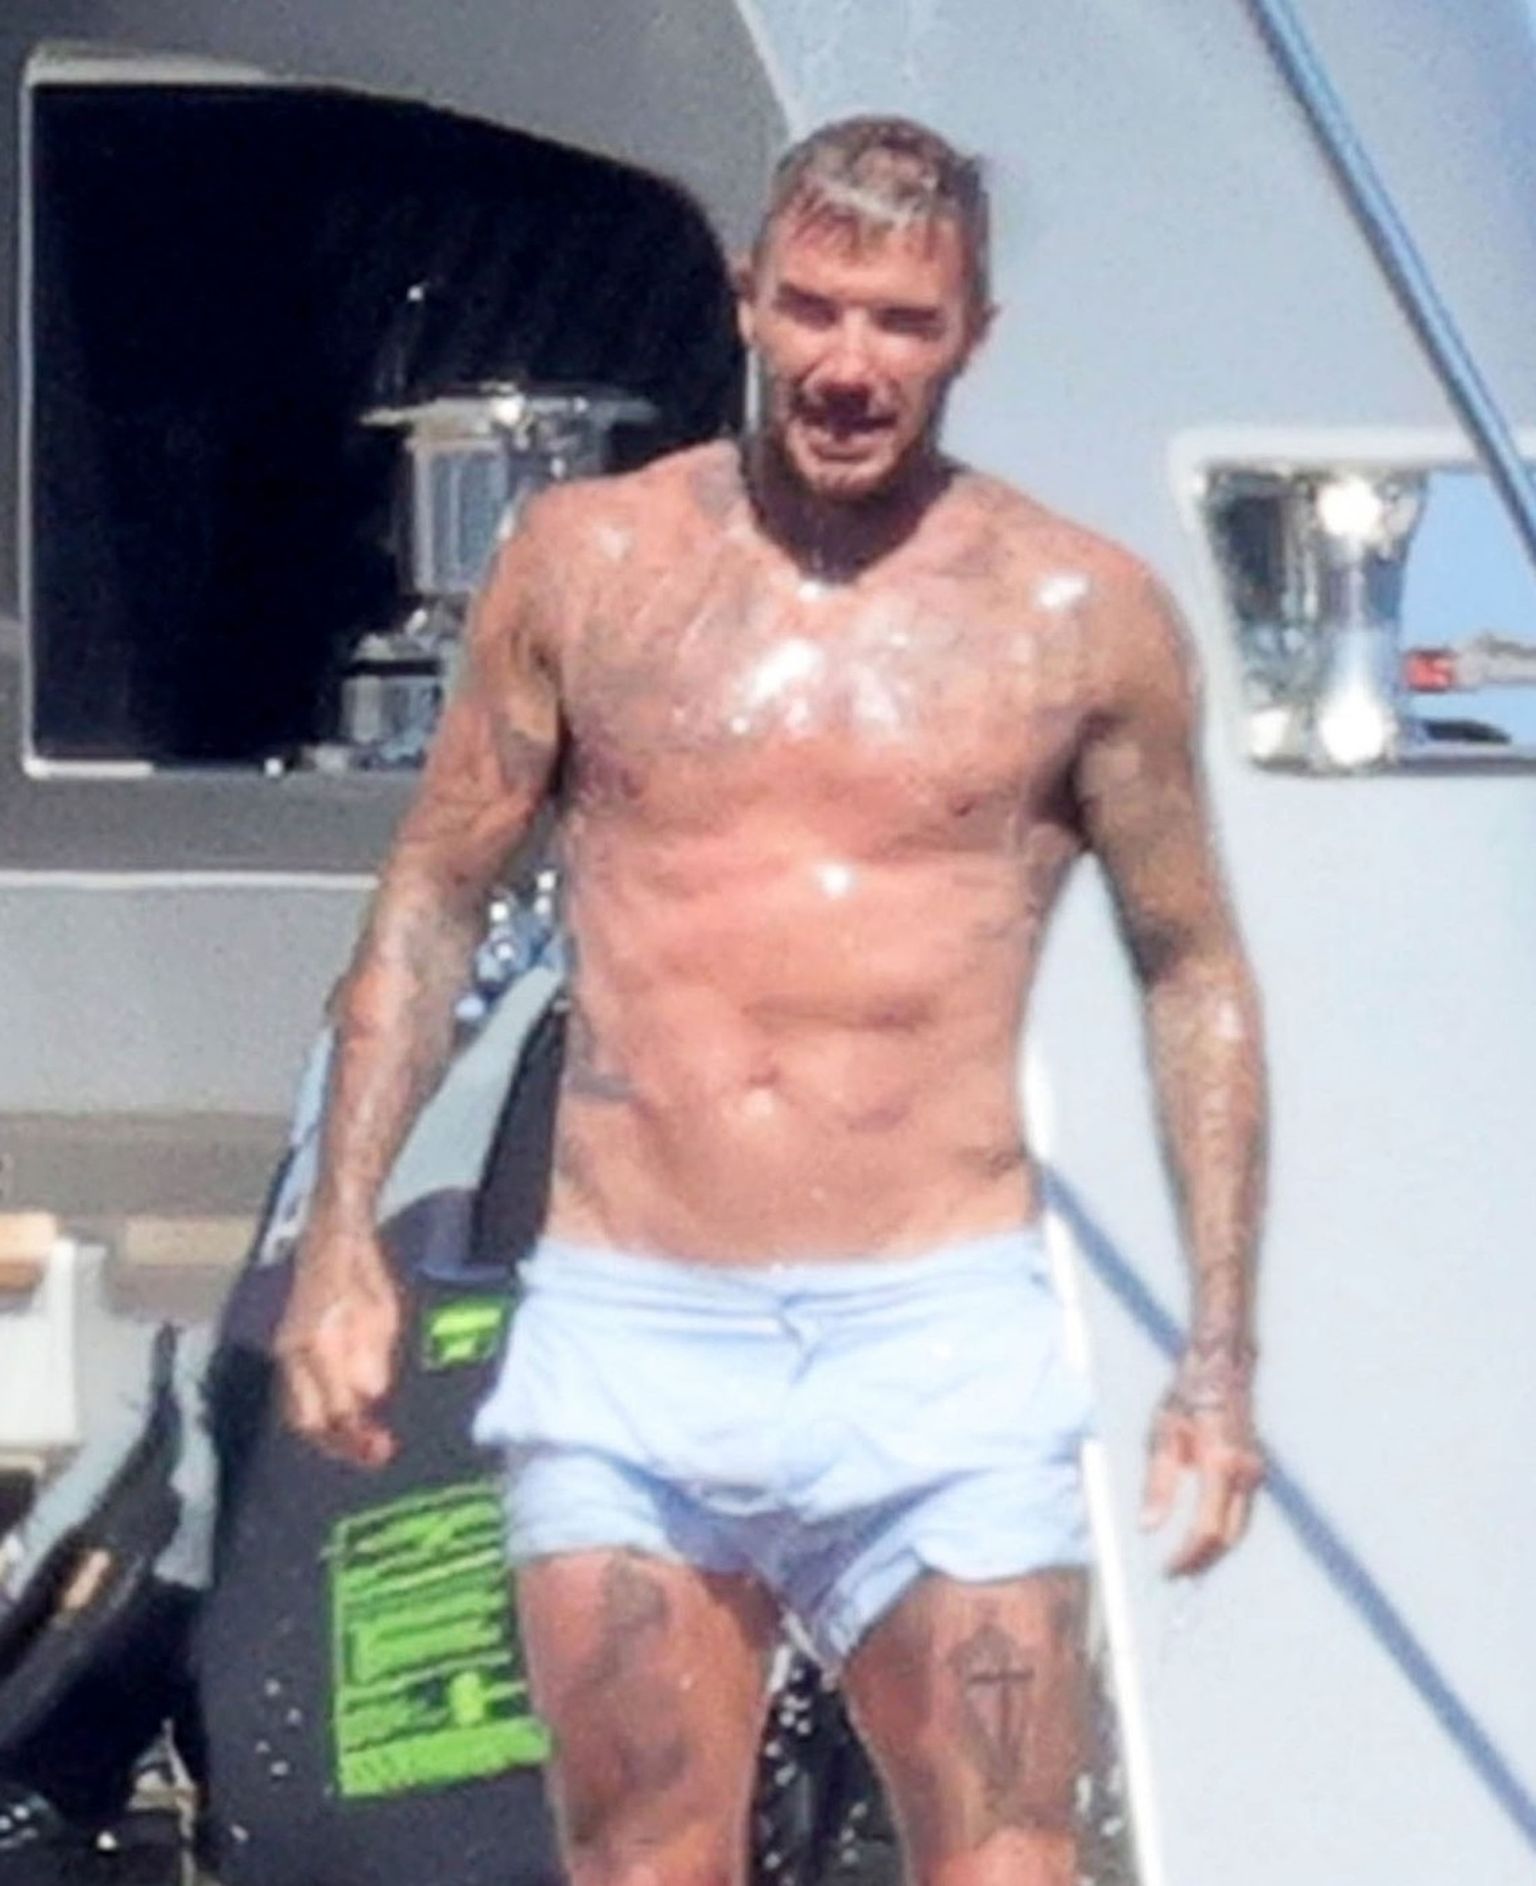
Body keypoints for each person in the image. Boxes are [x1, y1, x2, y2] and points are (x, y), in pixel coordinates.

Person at [276, 115, 1267, 1886]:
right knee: (650, 1862)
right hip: (637, 1334)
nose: (849, 362)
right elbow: (437, 891)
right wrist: (342, 1230)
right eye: (813, 306)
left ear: (972, 334)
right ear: (746, 298)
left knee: (1011, 1858)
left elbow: (1190, 963)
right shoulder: (589, 565)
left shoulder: (1080, 613)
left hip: (934, 1341)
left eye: (901, 320)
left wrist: (1217, 1349)